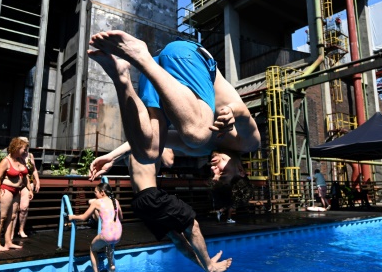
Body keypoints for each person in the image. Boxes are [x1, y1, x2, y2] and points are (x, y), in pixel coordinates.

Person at [87, 31, 260, 183]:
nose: (214, 170)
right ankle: (141, 58)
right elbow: (243, 112)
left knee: (148, 153)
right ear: (241, 171)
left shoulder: (199, 150)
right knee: (197, 134)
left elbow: (165, 139)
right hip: (188, 57)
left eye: (212, 175)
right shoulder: (248, 144)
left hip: (158, 72)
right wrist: (231, 112)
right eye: (223, 174)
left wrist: (112, 157)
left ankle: (121, 77)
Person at [95, 149, 232, 272]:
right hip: (151, 196)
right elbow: (169, 161)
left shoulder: (132, 145)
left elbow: (123, 154)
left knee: (176, 236)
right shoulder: (151, 139)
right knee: (193, 225)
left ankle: (205, 264)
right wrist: (167, 144)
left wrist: (110, 159)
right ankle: (209, 266)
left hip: (138, 202)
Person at [68, 182, 123, 272]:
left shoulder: (97, 202)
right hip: (118, 233)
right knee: (109, 243)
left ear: (102, 192)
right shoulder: (115, 201)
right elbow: (121, 217)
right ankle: (111, 266)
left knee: (92, 248)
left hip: (107, 234)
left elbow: (83, 217)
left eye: (96, 192)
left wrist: (72, 217)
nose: (95, 194)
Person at [0, 137, 30, 251]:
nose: (25, 151)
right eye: (24, 149)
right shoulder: (6, 161)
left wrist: (29, 189)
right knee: (2, 217)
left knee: (12, 217)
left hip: (17, 191)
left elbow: (25, 176)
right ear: (17, 147)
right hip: (6, 190)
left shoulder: (21, 160)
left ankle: (8, 242)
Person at [14, 136, 40, 239]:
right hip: (17, 182)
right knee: (14, 209)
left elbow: (34, 169)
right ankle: (11, 230)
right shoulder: (14, 155)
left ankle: (21, 229)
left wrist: (37, 181)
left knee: (24, 208)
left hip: (28, 184)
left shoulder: (30, 155)